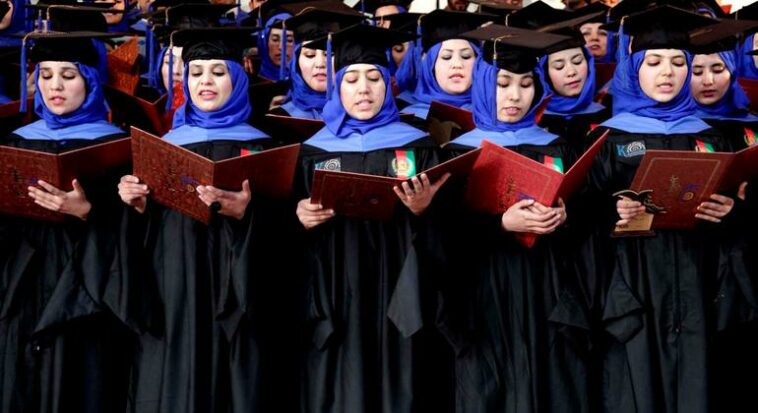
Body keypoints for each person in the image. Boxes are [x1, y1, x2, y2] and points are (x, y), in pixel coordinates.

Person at [117, 27, 295, 413]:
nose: (206, 82)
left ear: (237, 77)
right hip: (175, 289)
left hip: (240, 291)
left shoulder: (265, 147)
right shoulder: (163, 146)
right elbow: (142, 238)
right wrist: (136, 204)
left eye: (218, 71)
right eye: (196, 72)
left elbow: (291, 237)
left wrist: (248, 213)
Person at [583, 7, 748, 413]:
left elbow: (734, 213)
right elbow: (581, 212)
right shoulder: (609, 139)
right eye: (653, 62)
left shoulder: (712, 137)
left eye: (679, 63)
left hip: (700, 282)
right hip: (634, 284)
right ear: (632, 68)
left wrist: (732, 212)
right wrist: (611, 212)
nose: (667, 73)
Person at [294, 24, 450, 413]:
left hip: (401, 285)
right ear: (336, 87)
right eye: (351, 79)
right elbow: (280, 234)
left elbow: (453, 228)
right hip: (335, 287)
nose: (363, 89)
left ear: (389, 84)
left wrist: (423, 213)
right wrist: (298, 216)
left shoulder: (418, 145)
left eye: (374, 77)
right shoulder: (313, 151)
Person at [441, 25, 593, 413]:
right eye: (503, 83)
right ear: (482, 85)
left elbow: (589, 216)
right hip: (484, 296)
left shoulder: (558, 146)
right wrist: (500, 225)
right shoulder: (455, 152)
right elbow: (440, 236)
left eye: (526, 84)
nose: (514, 96)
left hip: (550, 288)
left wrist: (566, 213)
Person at [0, 32, 132, 413]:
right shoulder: (18, 141)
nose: (55, 86)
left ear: (90, 81)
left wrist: (88, 212)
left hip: (85, 291)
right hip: (22, 283)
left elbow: (140, 233)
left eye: (69, 76)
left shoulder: (117, 146)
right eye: (45, 75)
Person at [268, 4, 363, 119]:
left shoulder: (364, 113)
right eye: (310, 55)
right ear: (296, 63)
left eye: (329, 54)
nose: (320, 64)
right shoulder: (281, 118)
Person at [537, 10, 611, 151]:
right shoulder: (535, 121)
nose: (571, 72)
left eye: (577, 62)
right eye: (559, 66)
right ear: (545, 73)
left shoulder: (606, 117)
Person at [401, 10, 494, 120]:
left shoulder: (495, 114)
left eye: (466, 56)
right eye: (446, 57)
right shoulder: (409, 117)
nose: (457, 64)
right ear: (430, 66)